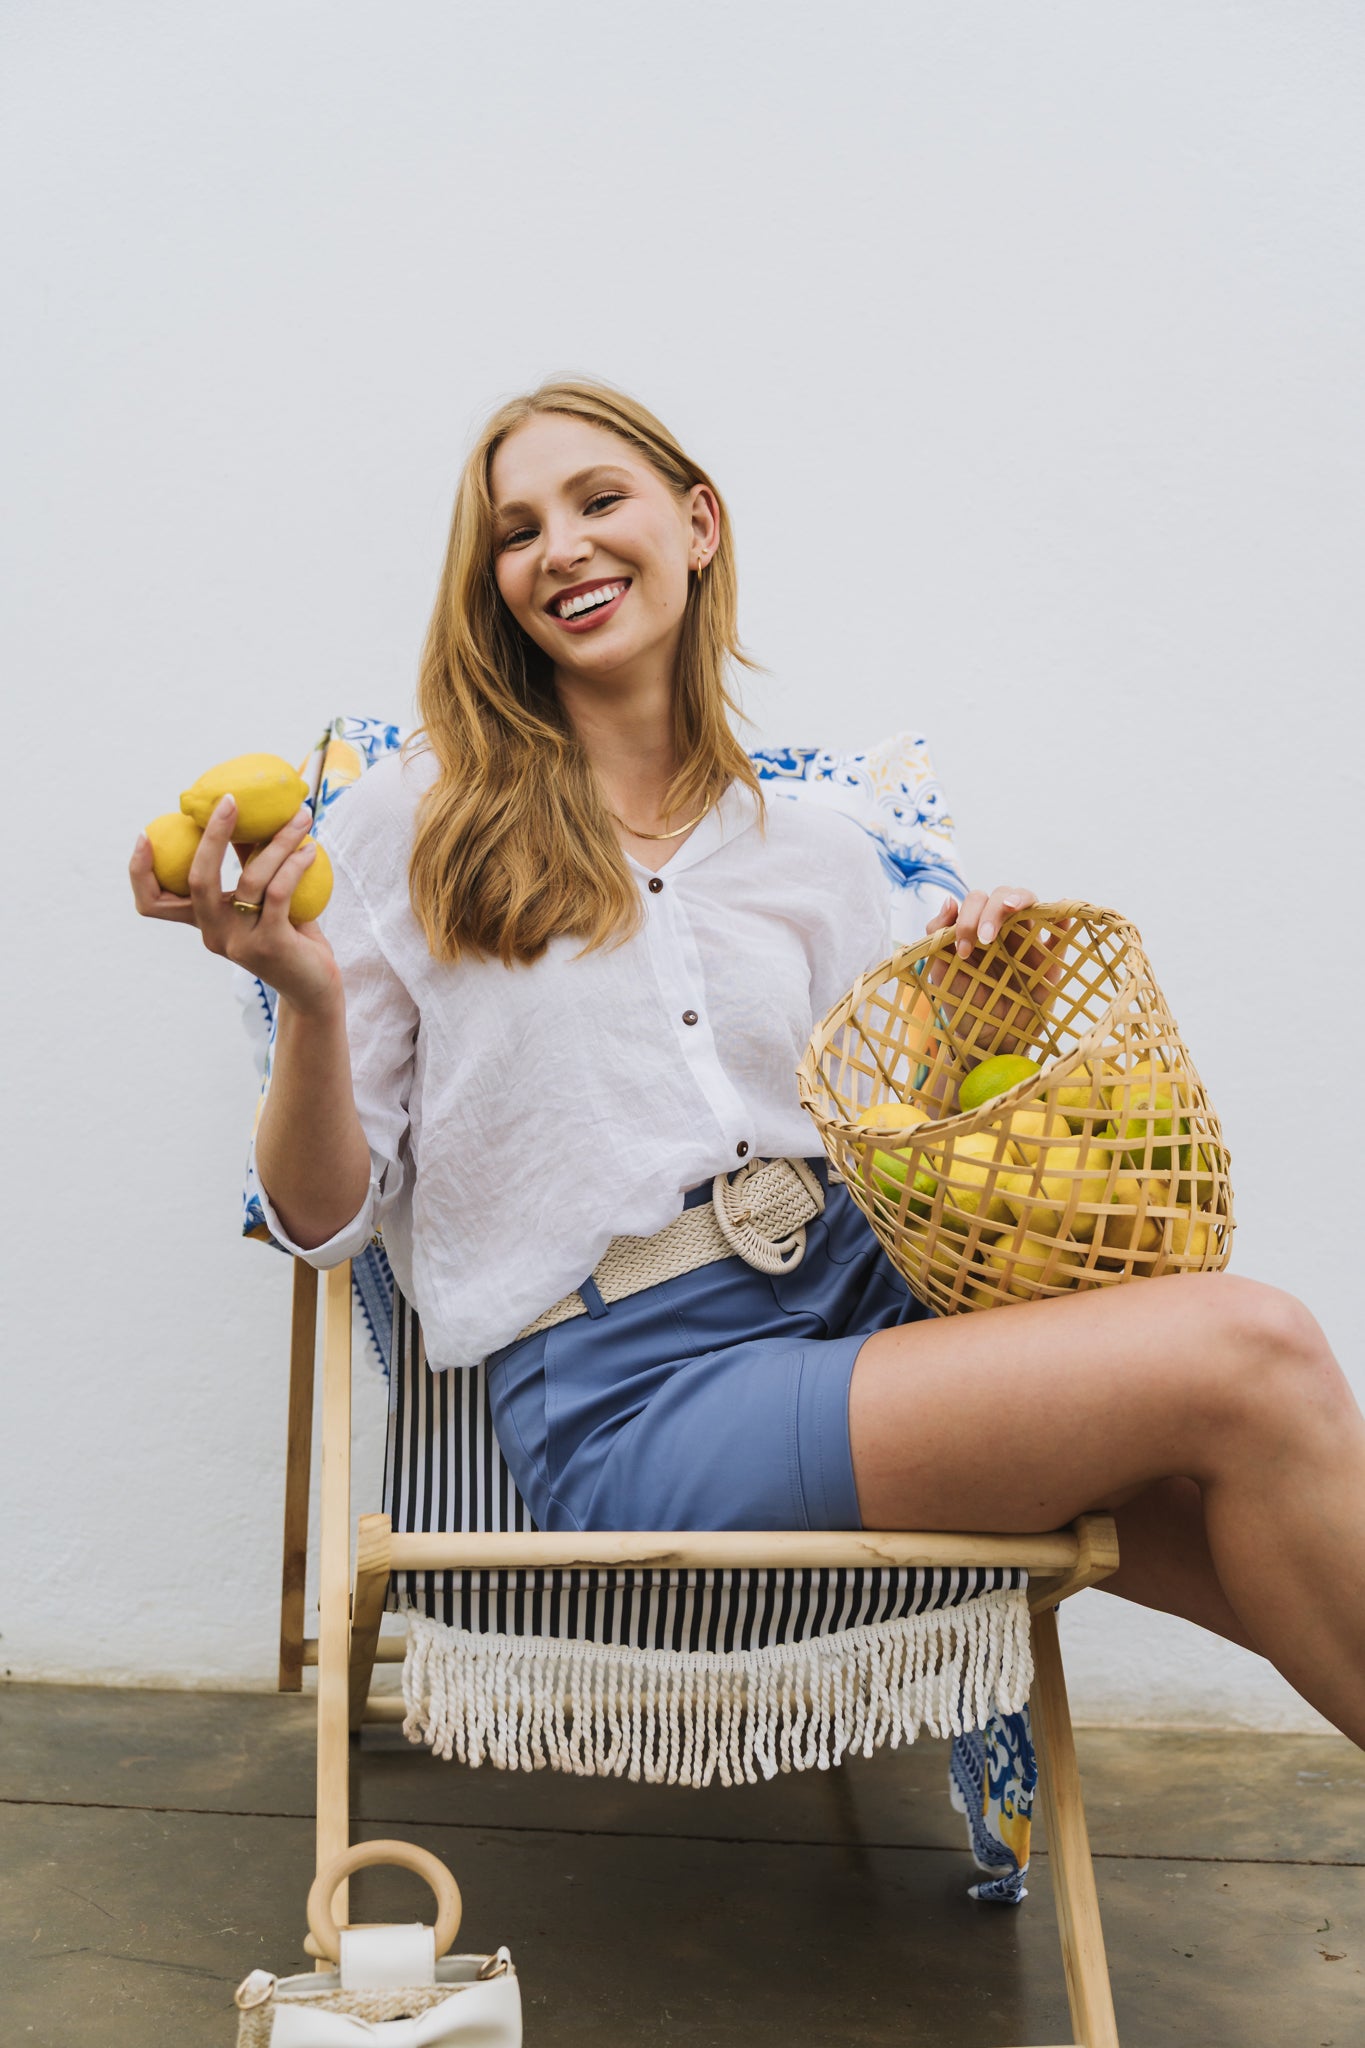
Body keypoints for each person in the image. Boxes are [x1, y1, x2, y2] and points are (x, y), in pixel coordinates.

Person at [131, 378, 1365, 1748]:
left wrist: (981, 1013)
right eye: (518, 531)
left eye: (600, 500)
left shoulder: (819, 849)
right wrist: (304, 998)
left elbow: (900, 1145)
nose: (561, 547)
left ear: (698, 524)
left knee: (1237, 1477)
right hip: (641, 1390)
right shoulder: (411, 825)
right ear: (493, 586)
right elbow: (318, 1219)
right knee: (1250, 1349)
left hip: (869, 1307)